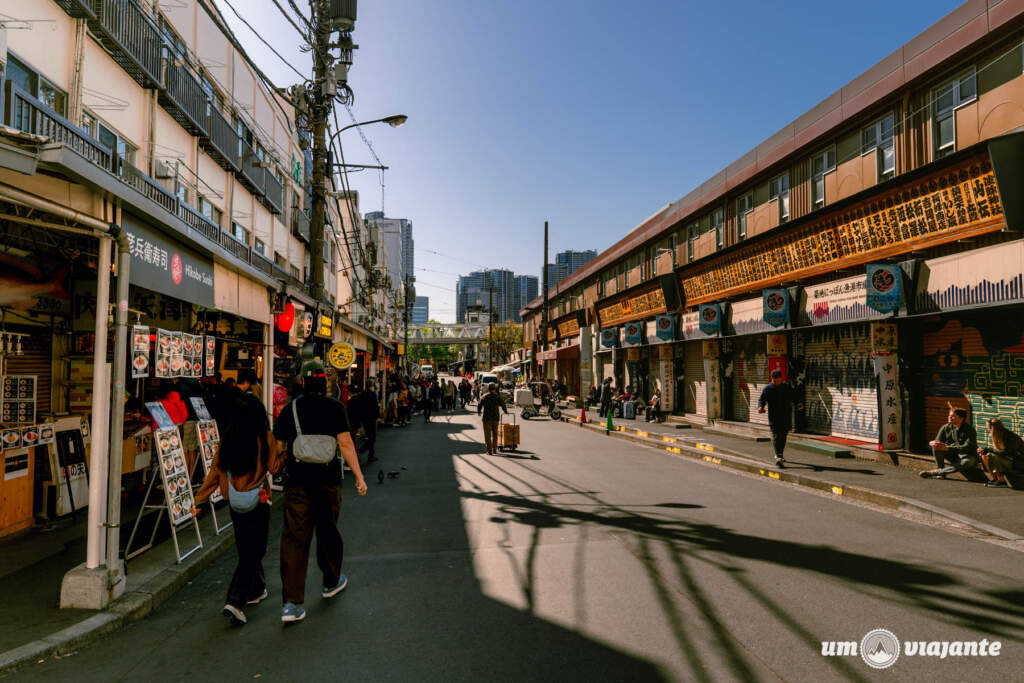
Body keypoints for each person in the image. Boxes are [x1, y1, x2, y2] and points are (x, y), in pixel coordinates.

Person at [272, 361, 368, 624]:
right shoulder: (335, 407)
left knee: (294, 539)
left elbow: (279, 446)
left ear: (302, 382)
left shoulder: (290, 409)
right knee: (328, 531)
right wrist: (359, 476)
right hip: (328, 481)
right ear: (325, 382)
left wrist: (271, 471)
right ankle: (331, 581)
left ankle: (291, 604)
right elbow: (346, 444)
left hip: (297, 482)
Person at [194, 394, 282, 625]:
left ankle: (256, 590)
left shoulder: (228, 439)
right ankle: (235, 600)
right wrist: (282, 450)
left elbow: (214, 472)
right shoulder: (266, 438)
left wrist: (199, 500)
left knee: (246, 548)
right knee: (255, 551)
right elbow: (274, 469)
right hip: (259, 501)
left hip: (234, 501)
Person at [922, 407, 980, 479]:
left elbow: (967, 448)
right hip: (953, 453)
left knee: (967, 462)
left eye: (952, 416)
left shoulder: (969, 429)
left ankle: (937, 472)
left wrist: (947, 448)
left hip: (967, 454)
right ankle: (941, 470)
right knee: (937, 447)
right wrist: (931, 442)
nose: (949, 417)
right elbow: (937, 441)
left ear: (961, 418)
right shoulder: (946, 427)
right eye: (949, 415)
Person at [758, 369, 797, 467]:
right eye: (773, 380)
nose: (775, 382)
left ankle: (780, 454)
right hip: (774, 416)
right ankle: (779, 456)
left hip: (785, 415)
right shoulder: (768, 388)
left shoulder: (786, 387)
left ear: (781, 378)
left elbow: (794, 397)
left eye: (777, 380)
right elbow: (762, 399)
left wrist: (798, 404)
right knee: (776, 435)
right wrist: (760, 407)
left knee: (783, 435)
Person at [977, 418, 1024, 489]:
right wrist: (984, 450)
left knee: (991, 455)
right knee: (984, 456)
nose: (988, 431)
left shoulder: (1010, 436)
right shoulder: (999, 436)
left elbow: (1006, 453)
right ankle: (995, 479)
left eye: (989, 429)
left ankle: (1002, 481)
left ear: (993, 429)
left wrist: (989, 450)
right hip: (1009, 460)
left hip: (1017, 462)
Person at [348, 384, 380, 465]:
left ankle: (369, 454)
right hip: (371, 418)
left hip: (365, 419)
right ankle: (365, 452)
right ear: (371, 386)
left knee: (370, 436)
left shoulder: (361, 396)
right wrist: (377, 416)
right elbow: (375, 406)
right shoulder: (372, 394)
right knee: (372, 437)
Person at [477, 383, 508, 455]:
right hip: (495, 418)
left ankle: (489, 450)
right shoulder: (497, 396)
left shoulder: (484, 396)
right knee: (495, 434)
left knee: (487, 435)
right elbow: (503, 404)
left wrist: (479, 412)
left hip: (487, 418)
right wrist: (505, 411)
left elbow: (479, 404)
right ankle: (494, 449)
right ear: (494, 389)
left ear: (488, 389)